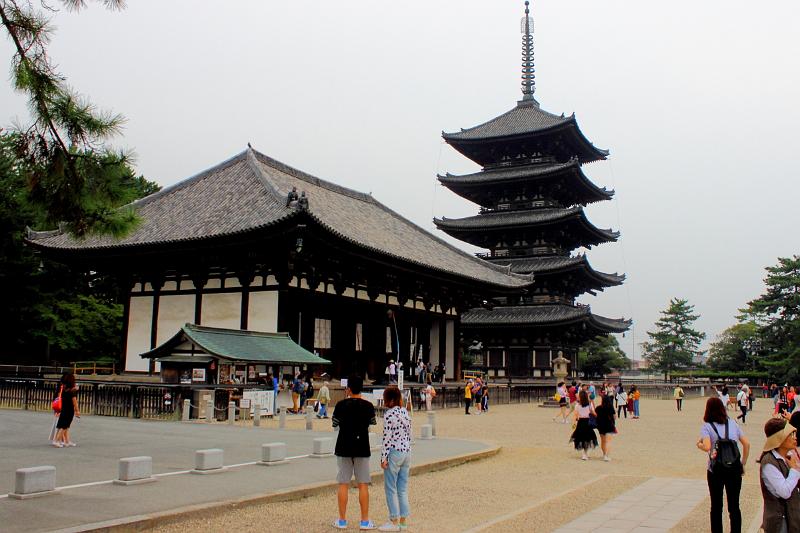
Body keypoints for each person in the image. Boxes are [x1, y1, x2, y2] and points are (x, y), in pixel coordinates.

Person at [696, 396, 750, 533]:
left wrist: (699, 444)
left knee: (716, 506)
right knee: (734, 506)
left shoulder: (707, 426)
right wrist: (742, 463)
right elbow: (746, 444)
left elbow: (708, 446)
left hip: (716, 469)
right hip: (734, 469)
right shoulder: (732, 423)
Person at [332, 375, 378, 530]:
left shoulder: (340, 405)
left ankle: (342, 520)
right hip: (362, 446)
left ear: (348, 389)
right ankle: (364, 520)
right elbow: (372, 422)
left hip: (344, 445)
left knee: (343, 483)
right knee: (363, 484)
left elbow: (334, 424)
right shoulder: (368, 406)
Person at [378, 387, 412, 532]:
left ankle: (393, 520)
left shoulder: (389, 415)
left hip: (394, 452)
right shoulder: (405, 412)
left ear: (389, 399)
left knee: (390, 488)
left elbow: (387, 438)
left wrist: (383, 457)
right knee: (402, 489)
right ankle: (403, 522)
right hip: (406, 452)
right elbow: (409, 433)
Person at [758, 418, 800, 533]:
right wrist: (794, 471)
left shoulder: (788, 456)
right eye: (790, 435)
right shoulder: (769, 462)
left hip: (791, 517)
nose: (795, 437)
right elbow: (784, 492)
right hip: (780, 521)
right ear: (780, 439)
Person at [570, 390, 598, 460]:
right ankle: (585, 453)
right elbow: (594, 413)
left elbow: (575, 415)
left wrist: (574, 423)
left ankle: (585, 453)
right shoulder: (589, 404)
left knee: (582, 437)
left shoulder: (577, 405)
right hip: (587, 422)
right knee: (588, 438)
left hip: (581, 422)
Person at [54, 372, 80, 447]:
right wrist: (77, 411)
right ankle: (57, 441)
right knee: (65, 426)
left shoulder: (64, 389)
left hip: (63, 408)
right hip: (69, 410)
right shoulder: (72, 391)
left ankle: (65, 441)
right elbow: (74, 402)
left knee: (62, 425)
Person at [595, 394, 616, 461]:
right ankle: (607, 456)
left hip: (601, 426)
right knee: (608, 441)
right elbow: (615, 417)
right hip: (609, 425)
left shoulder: (598, 408)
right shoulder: (611, 408)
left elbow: (596, 416)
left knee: (603, 441)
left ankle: (604, 454)